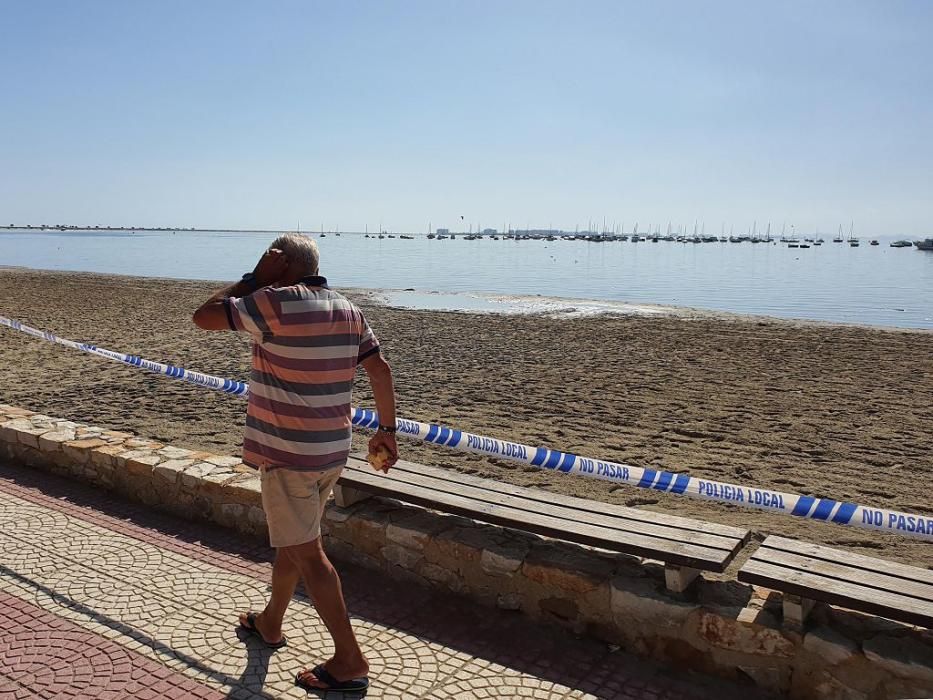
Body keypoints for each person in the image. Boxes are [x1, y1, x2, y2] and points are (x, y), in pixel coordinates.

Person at [192, 232, 398, 693]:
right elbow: (380, 369)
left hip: (288, 452)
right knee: (296, 537)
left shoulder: (274, 301)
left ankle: (349, 659)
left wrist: (252, 277)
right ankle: (270, 621)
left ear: (280, 261)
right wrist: (386, 431)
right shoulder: (347, 307)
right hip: (332, 449)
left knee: (308, 552)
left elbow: (203, 316)